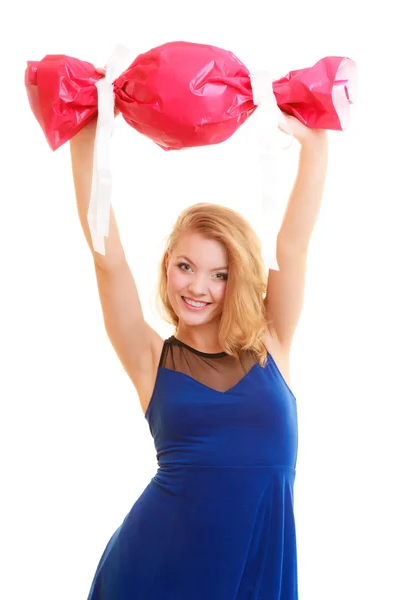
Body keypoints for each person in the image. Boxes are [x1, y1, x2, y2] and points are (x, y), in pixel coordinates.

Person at [70, 70, 328, 599]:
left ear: (239, 280)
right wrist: (86, 138)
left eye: (219, 273)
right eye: (185, 266)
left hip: (255, 568)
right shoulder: (150, 359)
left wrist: (314, 143)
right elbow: (108, 263)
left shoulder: (272, 340)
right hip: (154, 570)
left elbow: (294, 245)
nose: (198, 288)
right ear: (167, 266)